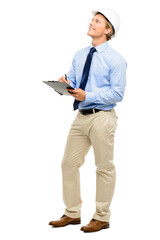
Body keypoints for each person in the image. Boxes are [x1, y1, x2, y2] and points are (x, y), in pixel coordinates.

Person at [49, 8, 127, 233]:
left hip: (102, 118)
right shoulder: (80, 54)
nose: (92, 23)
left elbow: (117, 94)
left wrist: (88, 96)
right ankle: (72, 213)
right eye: (92, 19)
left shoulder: (116, 60)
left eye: (97, 21)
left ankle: (101, 217)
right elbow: (74, 79)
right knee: (68, 164)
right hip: (81, 117)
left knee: (104, 168)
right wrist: (66, 83)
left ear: (108, 29)